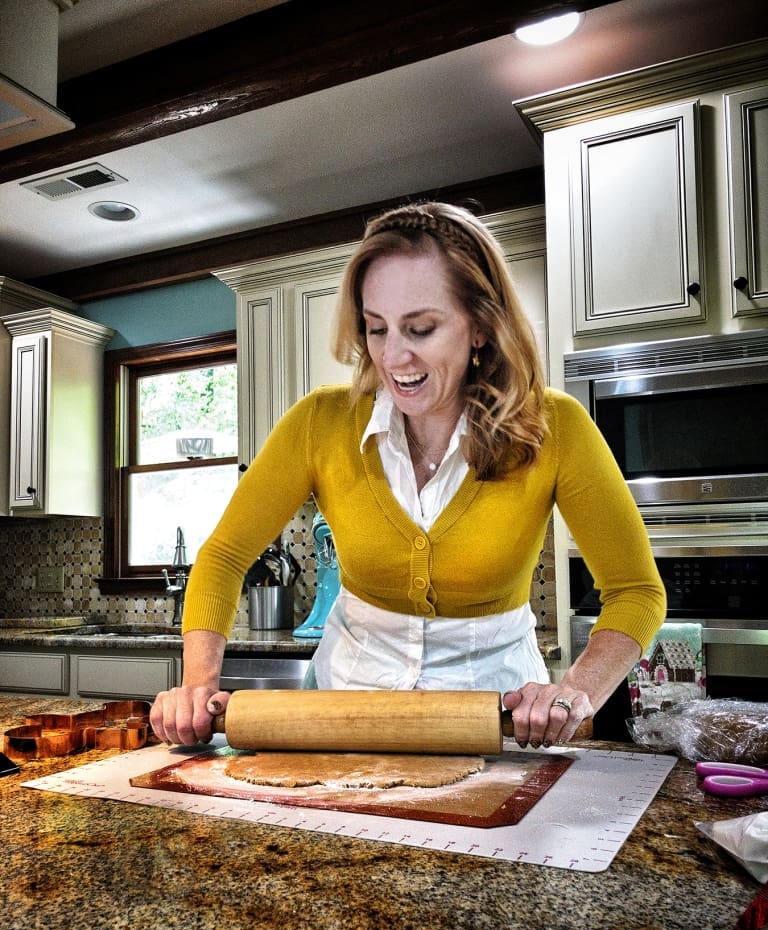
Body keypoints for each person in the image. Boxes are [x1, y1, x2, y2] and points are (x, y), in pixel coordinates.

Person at [150, 201, 666, 750]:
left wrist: (573, 693)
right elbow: (225, 555)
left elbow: (636, 591)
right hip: (340, 712)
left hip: (498, 721)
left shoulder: (555, 428)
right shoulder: (320, 423)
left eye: (420, 328)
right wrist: (195, 688)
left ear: (481, 328)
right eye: (376, 329)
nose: (393, 356)